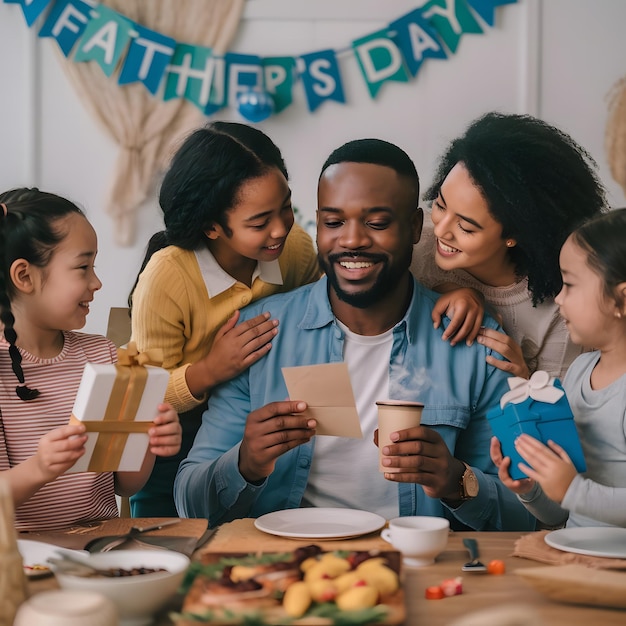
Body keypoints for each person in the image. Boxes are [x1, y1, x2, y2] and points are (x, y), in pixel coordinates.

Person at [174, 138, 537, 532]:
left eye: (377, 223)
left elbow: (530, 513)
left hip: (418, 568)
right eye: (333, 223)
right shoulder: (259, 335)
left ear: (415, 228)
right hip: (289, 569)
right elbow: (188, 502)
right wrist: (246, 462)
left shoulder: (473, 344)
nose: (351, 240)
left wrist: (455, 481)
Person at [128, 122, 321, 517]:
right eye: (259, 221)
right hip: (174, 439)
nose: (281, 227)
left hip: (259, 425)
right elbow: (143, 394)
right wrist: (210, 370)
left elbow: (319, 313)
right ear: (211, 227)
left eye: (286, 206)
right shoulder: (167, 277)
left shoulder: (295, 249)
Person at [0, 188, 181, 531]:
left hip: (102, 546)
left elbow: (125, 485)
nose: (96, 282)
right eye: (83, 267)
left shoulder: (102, 354)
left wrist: (147, 438)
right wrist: (40, 467)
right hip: (22, 561)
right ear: (24, 276)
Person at [410, 112, 607, 379]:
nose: (441, 230)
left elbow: (562, 413)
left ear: (514, 234)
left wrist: (524, 379)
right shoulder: (413, 248)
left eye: (466, 227)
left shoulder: (560, 309)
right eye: (440, 205)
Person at [491, 208, 626, 528]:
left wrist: (572, 490)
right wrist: (533, 488)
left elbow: (577, 494)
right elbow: (563, 513)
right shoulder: (579, 371)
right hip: (576, 557)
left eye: (570, 285)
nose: (560, 298)